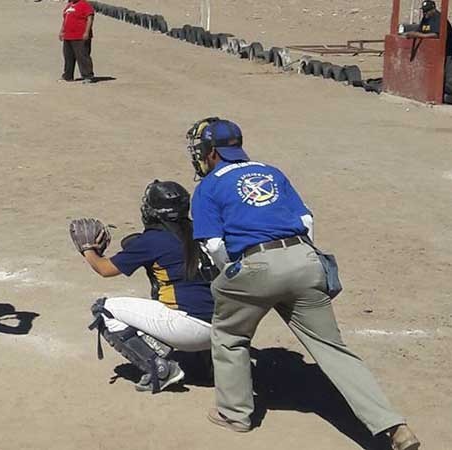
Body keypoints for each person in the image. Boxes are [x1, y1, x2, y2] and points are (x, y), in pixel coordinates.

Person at [185, 117, 420, 450]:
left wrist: (234, 274)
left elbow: (213, 245)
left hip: (255, 267)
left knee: (229, 334)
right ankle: (394, 426)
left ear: (211, 153)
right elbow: (307, 220)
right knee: (334, 351)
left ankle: (235, 414)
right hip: (304, 260)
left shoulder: (208, 186)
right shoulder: (271, 171)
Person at [77, 181, 215, 393]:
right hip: (227, 326)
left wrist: (88, 249)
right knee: (198, 292)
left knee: (103, 309)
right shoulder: (203, 231)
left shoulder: (153, 241)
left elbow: (104, 269)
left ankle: (162, 369)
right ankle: (212, 365)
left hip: (190, 330)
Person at [402, 0, 452, 100]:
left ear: (433, 9)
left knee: (448, 78)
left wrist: (420, 35)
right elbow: (419, 30)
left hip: (447, 52)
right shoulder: (425, 19)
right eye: (424, 11)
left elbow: (437, 35)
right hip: (434, 54)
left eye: (427, 11)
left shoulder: (439, 19)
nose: (425, 13)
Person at [59, 0, 96, 84]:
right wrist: (62, 31)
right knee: (68, 57)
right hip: (68, 36)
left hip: (80, 36)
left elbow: (90, 18)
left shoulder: (85, 5)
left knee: (82, 56)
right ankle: (68, 76)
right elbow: (65, 19)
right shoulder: (69, 5)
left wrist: (86, 32)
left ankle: (87, 76)